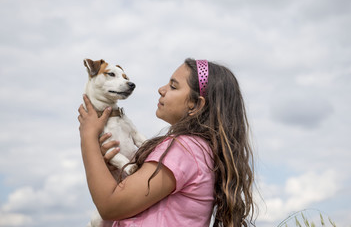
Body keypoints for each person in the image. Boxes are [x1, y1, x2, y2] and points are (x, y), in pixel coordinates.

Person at [78, 58, 256, 227]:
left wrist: (88, 138)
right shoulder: (198, 150)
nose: (161, 89)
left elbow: (111, 206)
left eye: (173, 86)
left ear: (195, 105)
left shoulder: (183, 150)